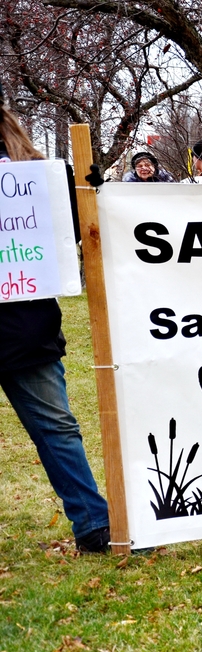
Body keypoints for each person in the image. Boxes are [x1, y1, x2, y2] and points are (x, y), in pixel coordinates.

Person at [0, 85, 111, 553]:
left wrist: (89, 190)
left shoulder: (37, 178)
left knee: (57, 429)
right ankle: (94, 523)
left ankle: (94, 525)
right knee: (58, 429)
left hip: (25, 329)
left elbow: (84, 229)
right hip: (29, 330)